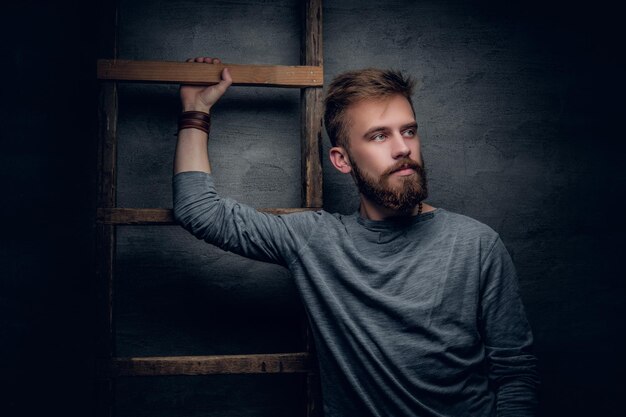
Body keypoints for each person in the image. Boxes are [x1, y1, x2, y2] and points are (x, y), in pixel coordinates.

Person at [173, 56, 539, 417]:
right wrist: (195, 110)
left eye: (408, 130)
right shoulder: (318, 242)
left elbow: (515, 374)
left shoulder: (476, 244)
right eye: (379, 136)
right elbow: (201, 212)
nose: (403, 148)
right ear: (342, 160)